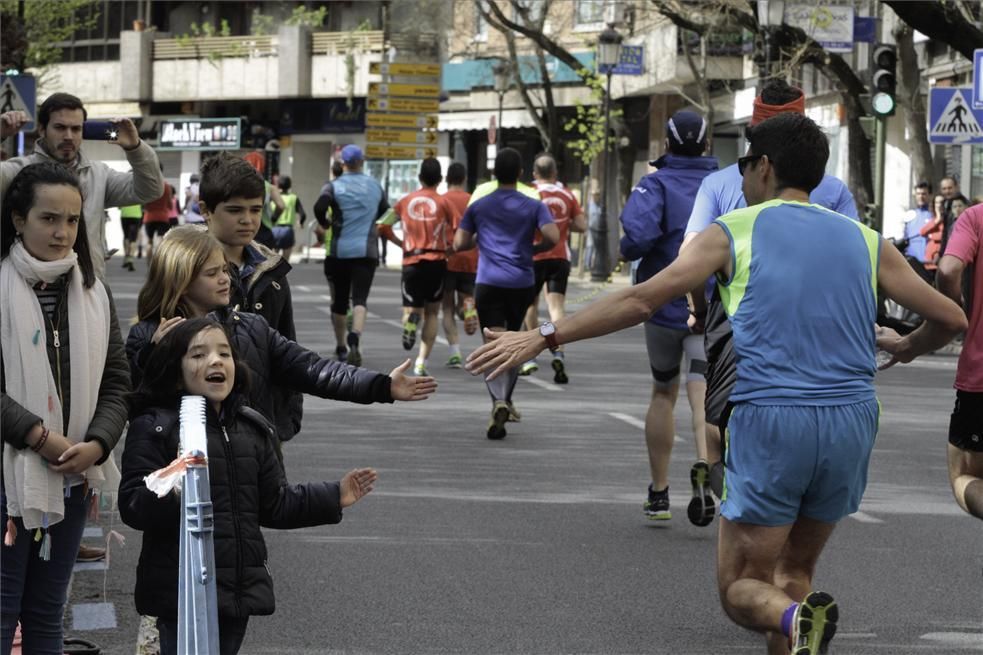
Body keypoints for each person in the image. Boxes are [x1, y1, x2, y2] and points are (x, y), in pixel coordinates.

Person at [467, 112, 967, 655]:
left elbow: (640, 300)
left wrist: (544, 335)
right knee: (795, 569)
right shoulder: (867, 239)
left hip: (773, 418)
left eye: (746, 164)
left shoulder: (734, 230)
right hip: (851, 420)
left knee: (740, 589)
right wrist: (906, 345)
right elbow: (951, 319)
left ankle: (796, 616)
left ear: (765, 167)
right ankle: (799, 620)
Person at [120, 317, 379, 655]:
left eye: (224, 353)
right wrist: (177, 482)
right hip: (180, 591)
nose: (215, 361)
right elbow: (133, 504)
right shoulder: (155, 427)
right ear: (174, 369)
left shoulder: (252, 427)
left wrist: (333, 496)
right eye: (198, 355)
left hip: (235, 591)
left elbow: (274, 503)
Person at [682, 80, 858, 498]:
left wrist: (700, 309)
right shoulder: (831, 190)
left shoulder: (721, 183)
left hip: (740, 329)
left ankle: (724, 476)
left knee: (718, 403)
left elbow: (688, 257)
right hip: (819, 337)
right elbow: (859, 259)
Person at [126, 228, 437, 455]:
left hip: (241, 463)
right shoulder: (147, 334)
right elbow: (133, 402)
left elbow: (312, 369)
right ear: (180, 280)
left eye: (225, 270)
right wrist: (155, 354)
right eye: (212, 273)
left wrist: (382, 386)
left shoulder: (250, 328)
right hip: (171, 467)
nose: (225, 279)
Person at [1, 163, 130, 653]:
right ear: (18, 219)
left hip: (75, 475)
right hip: (8, 481)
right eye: (48, 218)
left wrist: (98, 442)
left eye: (73, 221)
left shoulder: (93, 291)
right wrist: (38, 436)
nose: (62, 233)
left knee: (46, 616)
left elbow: (118, 380)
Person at [618, 110, 719, 525]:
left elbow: (634, 242)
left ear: (668, 143)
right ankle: (703, 463)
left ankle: (659, 494)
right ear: (707, 144)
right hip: (711, 306)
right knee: (705, 393)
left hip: (662, 304)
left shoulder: (654, 184)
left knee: (663, 391)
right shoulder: (723, 184)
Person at [454, 148, 558, 439]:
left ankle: (499, 400)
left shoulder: (480, 204)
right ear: (521, 174)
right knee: (513, 341)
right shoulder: (533, 203)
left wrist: (479, 239)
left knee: (493, 343)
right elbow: (553, 236)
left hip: (489, 281)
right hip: (522, 281)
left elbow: (460, 242)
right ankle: (505, 400)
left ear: (494, 174)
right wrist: (533, 249)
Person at [0, 94, 165, 277]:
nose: (69, 136)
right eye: (60, 128)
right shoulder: (17, 171)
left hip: (90, 289)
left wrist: (135, 147)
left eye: (76, 129)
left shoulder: (99, 175)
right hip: (29, 288)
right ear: (41, 129)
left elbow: (152, 189)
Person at [197, 153, 301, 441]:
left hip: (263, 424)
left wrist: (287, 416)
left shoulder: (272, 271)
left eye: (256, 210)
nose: (248, 220)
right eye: (235, 210)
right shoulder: (185, 267)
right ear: (205, 210)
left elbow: (289, 349)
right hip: (200, 424)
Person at [313, 145, 390, 367]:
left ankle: (341, 347)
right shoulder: (375, 186)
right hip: (366, 251)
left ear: (343, 163)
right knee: (360, 299)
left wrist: (326, 222)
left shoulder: (333, 186)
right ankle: (355, 333)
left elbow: (319, 206)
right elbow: (386, 211)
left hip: (339, 252)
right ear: (362, 162)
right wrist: (375, 225)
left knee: (339, 301)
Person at [379, 158, 456, 376]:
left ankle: (410, 322)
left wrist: (400, 243)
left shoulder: (404, 201)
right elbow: (459, 229)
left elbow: (382, 225)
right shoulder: (444, 203)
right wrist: (450, 249)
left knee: (412, 307)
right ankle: (421, 361)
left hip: (412, 261)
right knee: (432, 313)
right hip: (437, 262)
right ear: (440, 180)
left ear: (419, 177)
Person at [518, 153, 587, 383]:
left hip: (535, 255)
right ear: (555, 173)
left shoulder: (529, 192)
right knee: (556, 308)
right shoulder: (566, 193)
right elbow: (581, 225)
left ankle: (530, 356)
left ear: (535, 173)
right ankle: (559, 352)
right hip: (560, 256)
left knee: (530, 304)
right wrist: (563, 224)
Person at [936, 202, 983, 521]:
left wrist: (955, 307)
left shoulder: (976, 217)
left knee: (964, 475)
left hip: (980, 378)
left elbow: (949, 269)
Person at [441, 162, 479, 368]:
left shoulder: (442, 199)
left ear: (447, 179)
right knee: (466, 297)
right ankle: (469, 309)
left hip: (446, 257)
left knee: (446, 307)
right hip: (470, 256)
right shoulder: (473, 199)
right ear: (464, 179)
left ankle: (454, 352)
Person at [142, 163, 174, 261]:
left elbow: (144, 204)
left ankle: (149, 267)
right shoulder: (167, 186)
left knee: (149, 242)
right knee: (161, 240)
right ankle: (159, 264)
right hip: (163, 217)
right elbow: (170, 205)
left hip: (149, 217)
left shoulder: (147, 186)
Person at [272, 175, 306, 261]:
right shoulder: (294, 198)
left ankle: (273, 274)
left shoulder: (273, 197)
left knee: (272, 259)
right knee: (285, 260)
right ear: (290, 186)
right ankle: (283, 274)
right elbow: (303, 214)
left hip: (274, 230)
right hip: (288, 231)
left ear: (278, 185)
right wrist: (301, 222)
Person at [901, 181, 934, 265]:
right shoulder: (909, 215)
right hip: (911, 262)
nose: (921, 197)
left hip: (929, 262)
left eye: (924, 194)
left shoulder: (934, 215)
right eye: (918, 194)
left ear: (930, 195)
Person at [919, 193, 946, 272]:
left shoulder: (948, 220)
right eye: (937, 202)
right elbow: (922, 232)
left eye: (941, 202)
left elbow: (945, 236)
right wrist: (937, 220)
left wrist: (931, 236)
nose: (939, 205)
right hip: (930, 261)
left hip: (941, 260)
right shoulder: (933, 220)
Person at [119, 203, 143, 271]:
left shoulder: (122, 192)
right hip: (136, 215)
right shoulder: (138, 192)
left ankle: (126, 257)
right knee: (133, 239)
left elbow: (119, 206)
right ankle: (130, 259)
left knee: (126, 236)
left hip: (125, 214)